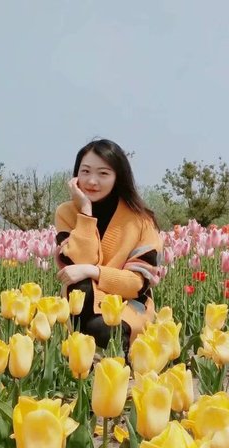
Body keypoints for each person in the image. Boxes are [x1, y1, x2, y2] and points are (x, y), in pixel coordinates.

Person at [54, 139, 163, 355]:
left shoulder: (141, 221)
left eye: (103, 173)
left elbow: (136, 284)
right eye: (85, 171)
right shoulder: (66, 213)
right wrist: (85, 212)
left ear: (118, 177)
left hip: (128, 304)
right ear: (76, 176)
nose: (92, 181)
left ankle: (114, 358)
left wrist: (93, 271)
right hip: (83, 301)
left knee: (102, 329)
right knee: (81, 286)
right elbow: (76, 264)